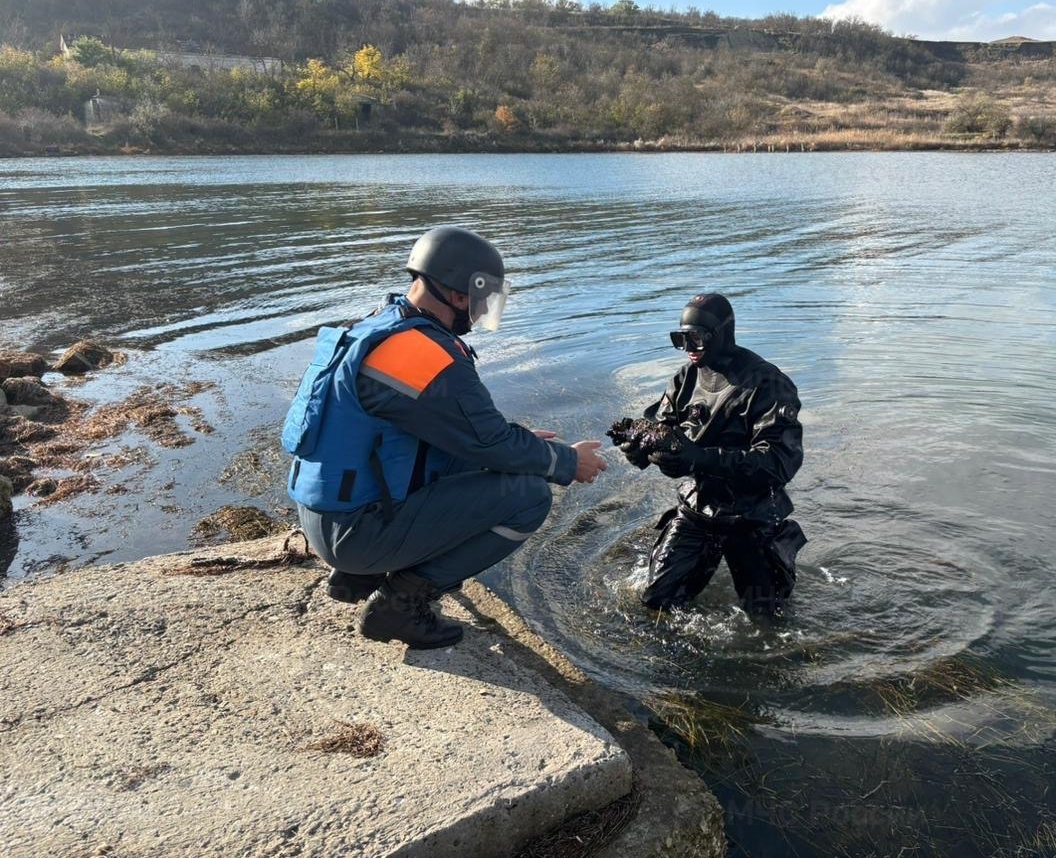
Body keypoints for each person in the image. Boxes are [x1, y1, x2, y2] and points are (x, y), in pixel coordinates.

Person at [281, 226, 607, 649]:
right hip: (354, 532)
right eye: (481, 299)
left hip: (322, 515)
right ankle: (400, 603)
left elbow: (449, 431)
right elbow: (489, 442)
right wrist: (565, 461)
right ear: (459, 293)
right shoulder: (422, 354)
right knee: (529, 496)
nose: (478, 312)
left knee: (492, 461)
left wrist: (517, 443)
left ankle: (358, 574)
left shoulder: (377, 327)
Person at [621, 293, 805, 616]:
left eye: (696, 338)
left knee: (767, 619)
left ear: (722, 334)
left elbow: (779, 462)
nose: (689, 348)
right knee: (657, 602)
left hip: (753, 514)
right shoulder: (685, 379)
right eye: (680, 339)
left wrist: (701, 458)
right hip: (699, 508)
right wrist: (641, 450)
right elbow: (664, 432)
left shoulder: (767, 384)